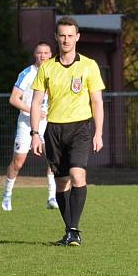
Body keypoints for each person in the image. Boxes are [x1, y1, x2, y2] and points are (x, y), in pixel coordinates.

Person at [30, 16, 105, 246]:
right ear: (56, 37)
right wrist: (35, 133)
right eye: (62, 35)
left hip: (81, 127)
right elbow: (36, 102)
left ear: (77, 37)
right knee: (61, 183)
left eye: (70, 35)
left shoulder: (89, 65)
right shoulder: (47, 67)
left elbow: (97, 101)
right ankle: (70, 231)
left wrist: (98, 132)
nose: (66, 39)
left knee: (77, 174)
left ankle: (74, 228)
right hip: (54, 130)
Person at [1, 42, 58, 211]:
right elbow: (13, 99)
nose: (43, 56)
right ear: (35, 55)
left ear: (51, 55)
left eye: (46, 53)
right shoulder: (27, 73)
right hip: (27, 122)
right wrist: (33, 110)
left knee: (53, 158)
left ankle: (51, 197)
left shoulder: (54, 72)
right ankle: (7, 195)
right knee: (18, 162)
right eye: (40, 53)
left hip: (48, 122)